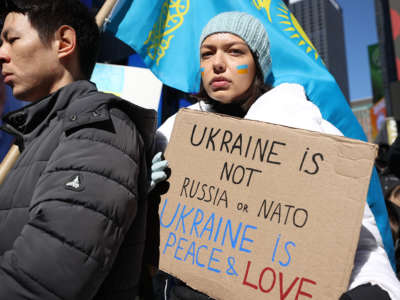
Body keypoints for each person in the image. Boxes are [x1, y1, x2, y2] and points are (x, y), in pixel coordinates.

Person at [153, 11, 400, 300]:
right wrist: (141, 193)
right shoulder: (173, 135)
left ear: (257, 64)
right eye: (207, 54)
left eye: (234, 52)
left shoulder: (308, 127)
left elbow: (360, 242)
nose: (217, 63)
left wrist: (372, 291)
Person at [0, 0, 157, 299]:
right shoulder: (38, 134)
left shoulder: (98, 132)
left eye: (12, 39)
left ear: (65, 43)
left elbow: (42, 283)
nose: (2, 54)